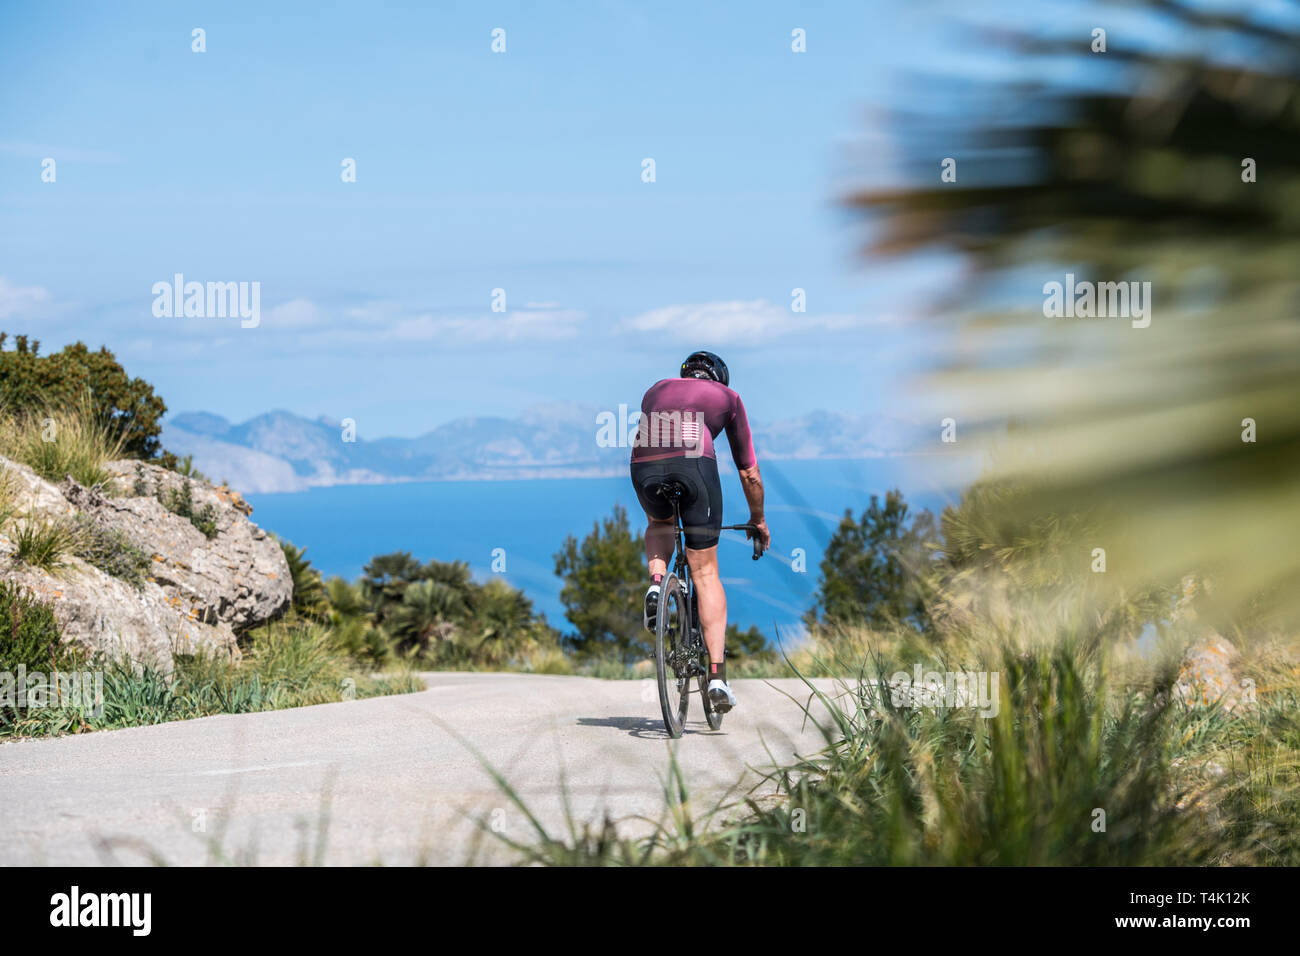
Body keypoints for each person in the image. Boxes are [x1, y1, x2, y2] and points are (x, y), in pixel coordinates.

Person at [629, 350, 770, 713]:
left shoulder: (656, 388)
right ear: (719, 379)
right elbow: (749, 474)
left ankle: (657, 583)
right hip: (694, 463)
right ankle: (718, 677)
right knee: (706, 572)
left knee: (660, 523)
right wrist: (759, 520)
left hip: (643, 463)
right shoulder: (729, 398)